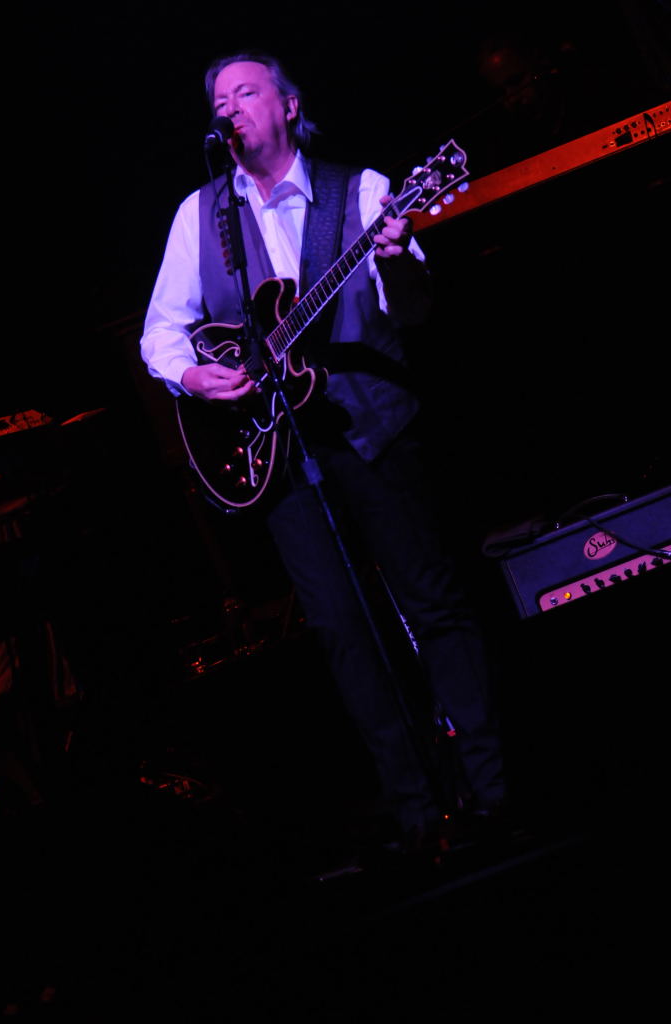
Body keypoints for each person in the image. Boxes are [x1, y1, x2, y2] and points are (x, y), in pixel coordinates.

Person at [140, 51, 508, 862]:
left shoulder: (364, 191)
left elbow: (413, 311)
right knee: (343, 629)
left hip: (371, 425)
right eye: (219, 99)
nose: (230, 106)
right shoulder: (201, 214)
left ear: (290, 106)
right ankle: (415, 810)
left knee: (432, 603)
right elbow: (160, 331)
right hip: (278, 448)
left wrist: (395, 257)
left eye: (247, 91)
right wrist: (194, 375)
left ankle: (490, 788)